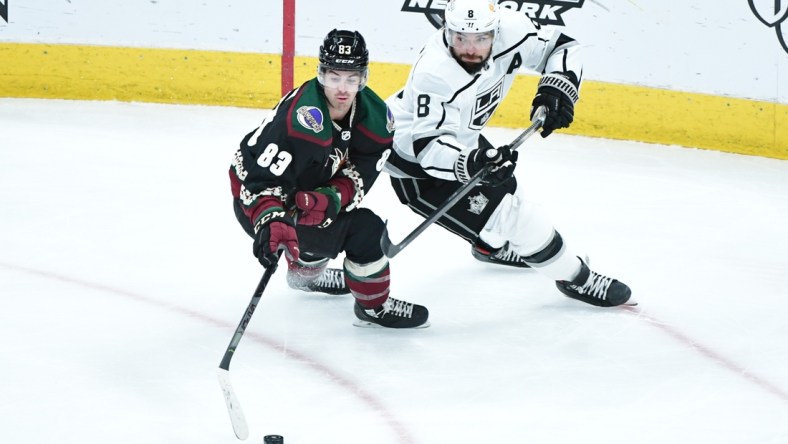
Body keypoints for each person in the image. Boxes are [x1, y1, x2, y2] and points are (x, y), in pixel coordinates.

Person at [384, 0, 632, 307]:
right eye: (460, 37)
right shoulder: (434, 73)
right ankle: (578, 279)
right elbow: (429, 149)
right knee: (520, 221)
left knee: (510, 191)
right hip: (419, 168)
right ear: (447, 30)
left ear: (495, 30)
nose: (470, 49)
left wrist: (556, 88)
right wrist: (473, 162)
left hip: (465, 140)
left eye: (480, 39)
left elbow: (562, 46)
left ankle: (491, 248)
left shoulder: (512, 29)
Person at [229, 29, 429, 328]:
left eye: (352, 78)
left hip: (307, 192)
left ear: (364, 77)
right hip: (258, 204)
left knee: (323, 209)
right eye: (335, 77)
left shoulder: (375, 116)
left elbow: (364, 167)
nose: (343, 89)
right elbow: (257, 182)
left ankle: (304, 272)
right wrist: (272, 219)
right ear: (321, 74)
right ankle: (373, 308)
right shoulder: (299, 121)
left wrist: (334, 196)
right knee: (366, 230)